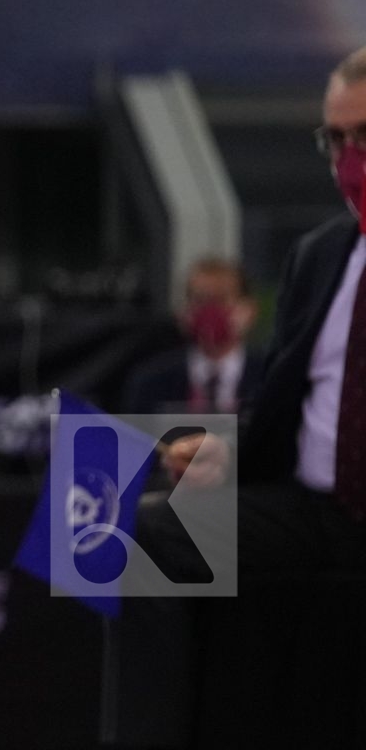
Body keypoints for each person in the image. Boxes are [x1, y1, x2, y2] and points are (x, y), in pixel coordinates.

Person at [102, 48, 366, 747]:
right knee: (151, 534)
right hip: (312, 508)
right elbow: (289, 403)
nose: (347, 159)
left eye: (362, 135)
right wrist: (226, 452)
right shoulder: (322, 256)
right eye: (333, 139)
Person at [122, 257, 262, 416]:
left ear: (249, 310)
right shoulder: (150, 382)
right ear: (184, 311)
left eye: (221, 300)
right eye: (199, 300)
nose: (210, 311)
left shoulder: (271, 380)